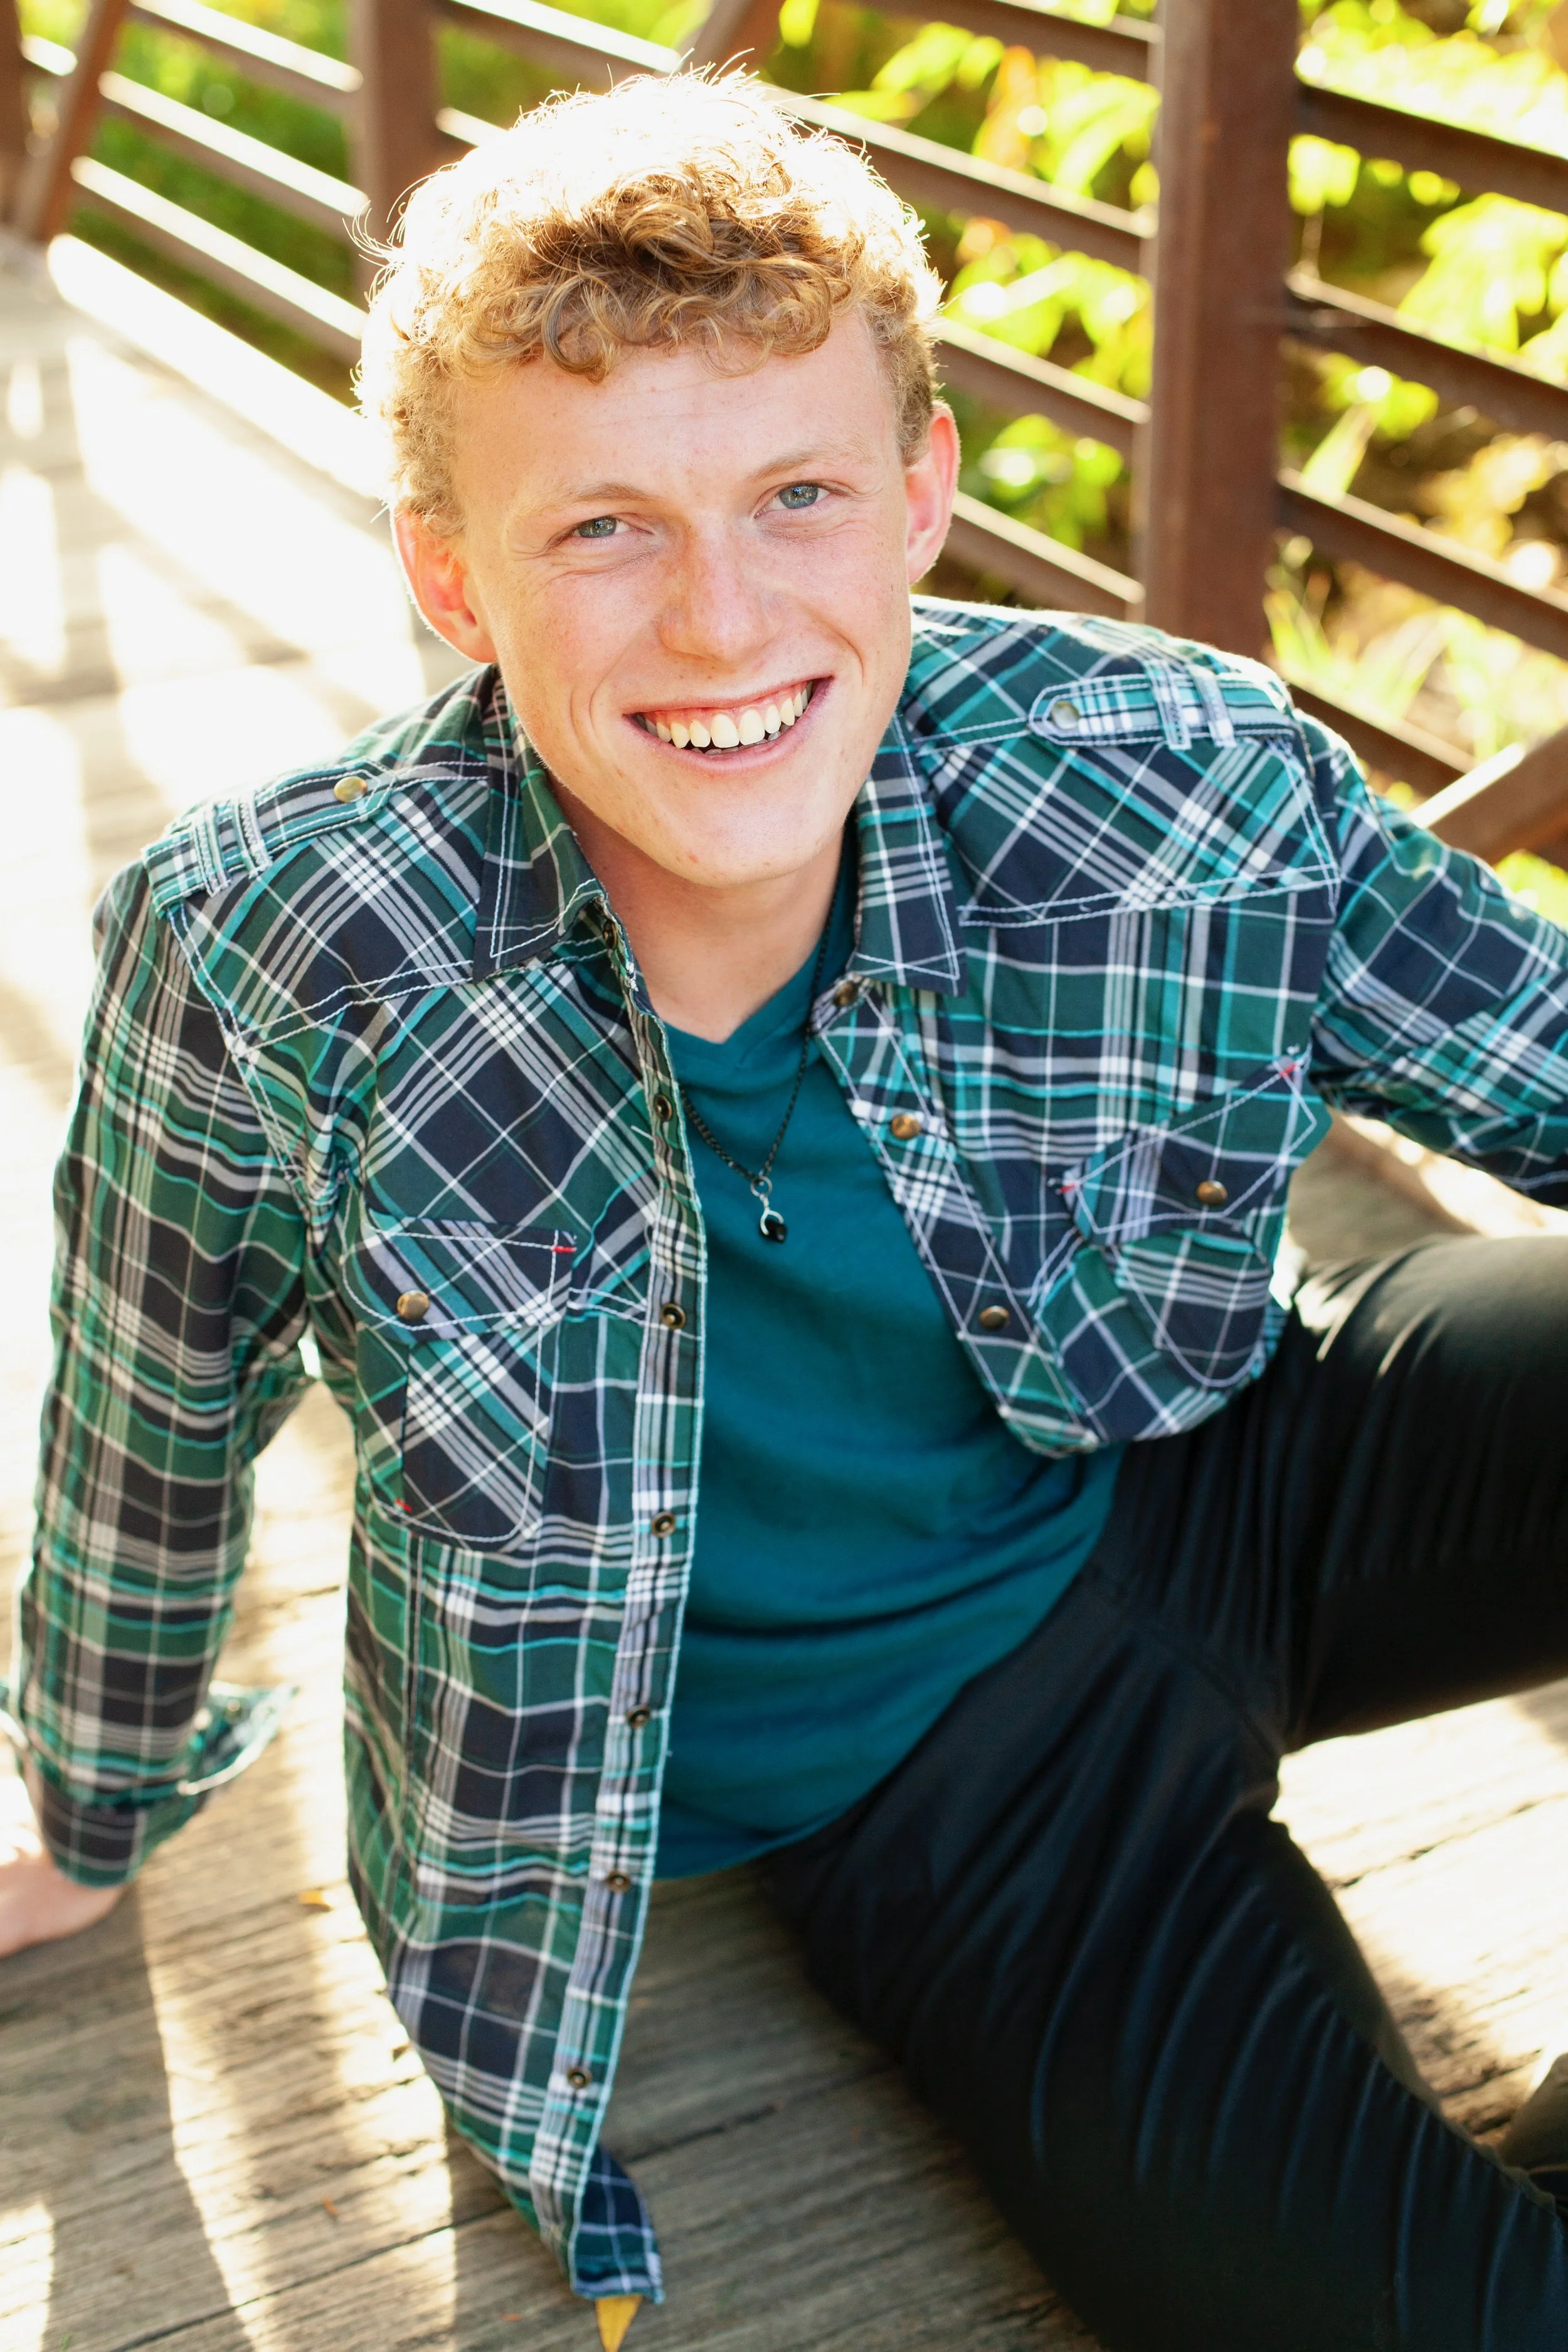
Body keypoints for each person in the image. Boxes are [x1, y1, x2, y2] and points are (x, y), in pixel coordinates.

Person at [4, 65, 1568, 2352]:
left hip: (1224, 1456)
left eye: (800, 493)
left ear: (921, 498)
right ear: (450, 571)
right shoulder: (269, 959)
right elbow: (156, 1408)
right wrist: (86, 1793)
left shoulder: (1166, 767)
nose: (724, 621)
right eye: (602, 527)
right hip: (926, 1781)